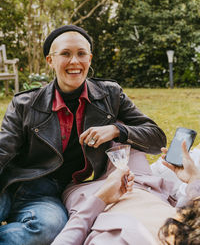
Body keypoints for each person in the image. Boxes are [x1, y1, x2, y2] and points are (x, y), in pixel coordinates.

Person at [0, 24, 166, 245]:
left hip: (48, 195)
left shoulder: (111, 95)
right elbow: (3, 149)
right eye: (65, 54)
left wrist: (117, 129)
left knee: (50, 229)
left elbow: (156, 137)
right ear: (50, 60)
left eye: (81, 54)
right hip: (12, 183)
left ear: (90, 58)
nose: (74, 62)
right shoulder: (25, 103)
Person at [51, 141, 200, 245]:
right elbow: (192, 209)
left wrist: (100, 198)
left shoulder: (117, 242)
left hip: (93, 195)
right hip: (143, 183)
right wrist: (193, 179)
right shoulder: (188, 229)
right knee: (122, 128)